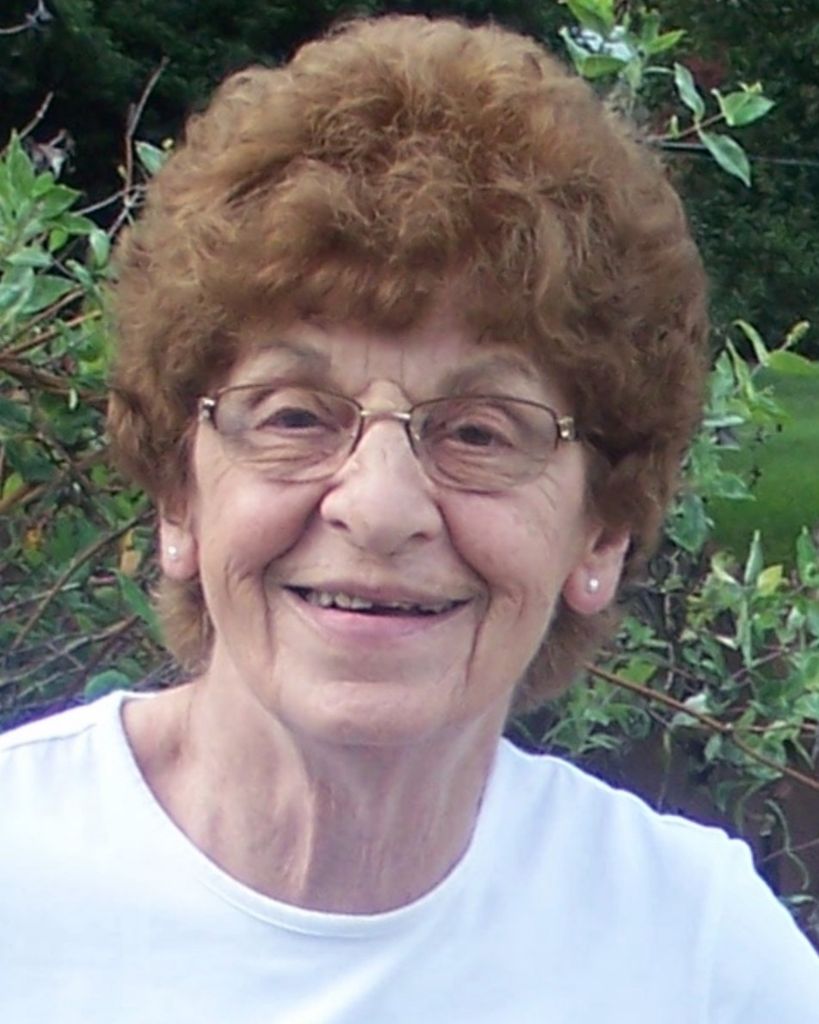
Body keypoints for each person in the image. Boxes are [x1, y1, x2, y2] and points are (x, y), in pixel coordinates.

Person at [2, 14, 817, 1022]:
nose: (379, 507)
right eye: (294, 416)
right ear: (180, 493)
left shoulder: (696, 955)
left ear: (602, 529)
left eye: (478, 431)